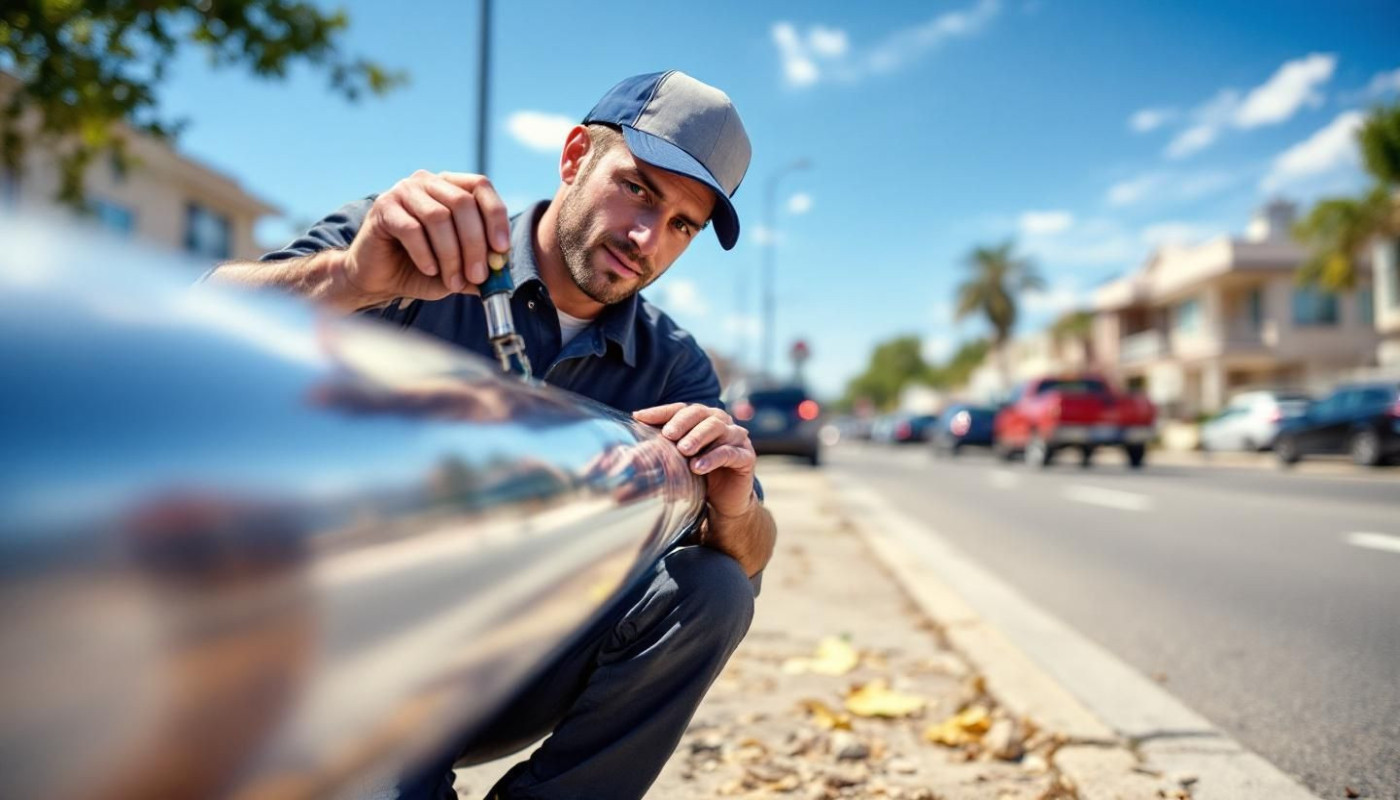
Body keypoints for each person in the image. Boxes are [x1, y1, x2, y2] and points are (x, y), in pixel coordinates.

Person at [209, 70, 776, 799]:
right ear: (575, 157)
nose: (646, 238)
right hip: (352, 653)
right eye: (637, 189)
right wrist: (351, 278)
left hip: (517, 668)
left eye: (681, 226)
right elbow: (195, 321)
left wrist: (734, 506)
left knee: (716, 590)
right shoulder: (418, 241)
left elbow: (756, 553)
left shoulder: (671, 364)